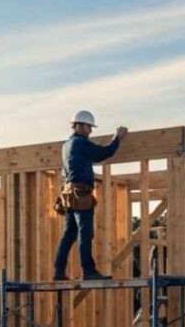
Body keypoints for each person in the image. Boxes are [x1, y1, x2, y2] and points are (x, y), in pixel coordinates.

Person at [53, 111, 129, 281]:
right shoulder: (80, 143)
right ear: (79, 125)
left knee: (69, 234)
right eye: (89, 127)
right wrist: (117, 138)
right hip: (80, 194)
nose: (91, 131)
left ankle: (59, 271)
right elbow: (105, 153)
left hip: (70, 194)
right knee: (85, 233)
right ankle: (89, 271)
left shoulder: (67, 145)